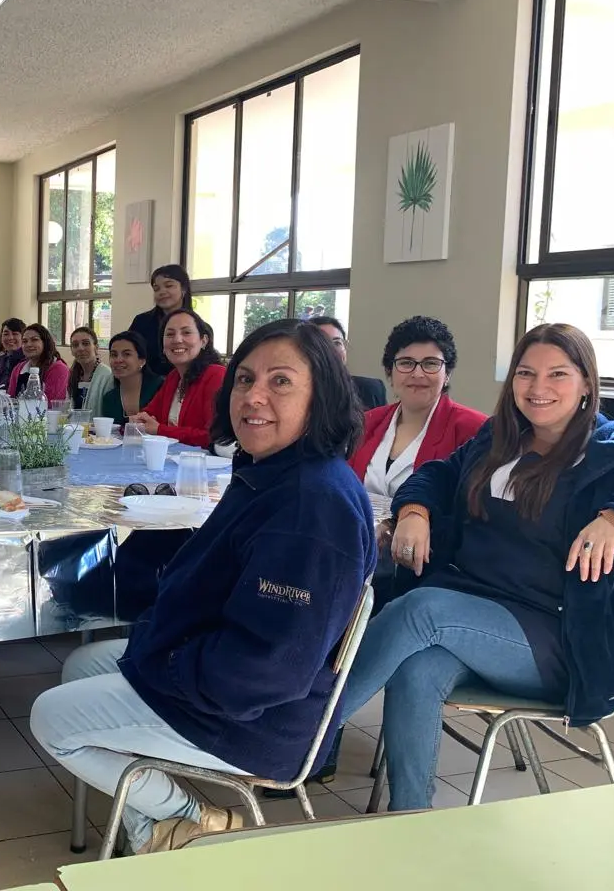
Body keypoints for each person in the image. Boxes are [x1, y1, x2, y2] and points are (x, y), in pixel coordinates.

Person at [30, 319, 373, 853]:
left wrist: (163, 662)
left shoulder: (311, 506)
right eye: (244, 379)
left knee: (50, 717)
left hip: (257, 720)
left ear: (321, 397)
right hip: (218, 676)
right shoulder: (270, 470)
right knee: (80, 663)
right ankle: (163, 833)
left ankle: (191, 817)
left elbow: (265, 668)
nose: (254, 396)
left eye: (280, 382)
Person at [338, 323, 614, 812]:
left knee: (423, 609)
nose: (538, 388)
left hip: (562, 640)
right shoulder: (500, 440)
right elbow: (436, 474)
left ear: (587, 383)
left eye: (558, 375)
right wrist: (413, 511)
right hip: (475, 612)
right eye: (526, 373)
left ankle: (308, 730)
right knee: (417, 667)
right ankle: (409, 819)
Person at [349, 316, 487, 500]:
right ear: (390, 372)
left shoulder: (475, 429)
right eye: (406, 363)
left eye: (430, 364)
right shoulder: (367, 422)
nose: (418, 374)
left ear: (447, 374)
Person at [131, 309, 226, 447]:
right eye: (170, 334)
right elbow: (148, 414)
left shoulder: (217, 375)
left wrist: (159, 429)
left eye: (186, 332)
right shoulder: (173, 377)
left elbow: (214, 437)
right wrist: (139, 420)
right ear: (163, 347)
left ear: (204, 341)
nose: (177, 340)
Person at [128, 265, 192, 378]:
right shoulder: (141, 322)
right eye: (156, 288)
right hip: (147, 387)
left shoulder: (198, 326)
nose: (162, 292)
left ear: (184, 288)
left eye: (169, 285)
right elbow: (129, 355)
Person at [309, 316, 387, 411]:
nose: (332, 351)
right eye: (322, 344)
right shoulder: (296, 394)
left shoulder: (371, 389)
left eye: (337, 343)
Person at [100, 330, 166, 426]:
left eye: (126, 354)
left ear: (142, 361)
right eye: (114, 355)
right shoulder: (109, 399)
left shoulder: (160, 388)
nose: (118, 360)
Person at [7, 323, 70, 401]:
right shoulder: (18, 369)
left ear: (45, 342)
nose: (29, 344)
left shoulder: (59, 369)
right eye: (24, 341)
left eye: (34, 340)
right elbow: (11, 401)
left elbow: (50, 404)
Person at [68, 326, 113, 414]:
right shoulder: (73, 375)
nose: (80, 348)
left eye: (86, 343)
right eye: (75, 345)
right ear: (72, 351)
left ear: (96, 347)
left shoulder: (107, 376)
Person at [0, 317, 27, 389]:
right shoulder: (3, 358)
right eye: (6, 334)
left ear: (23, 337)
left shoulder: (26, 360)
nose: (10, 337)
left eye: (15, 334)